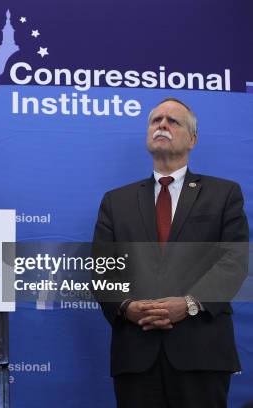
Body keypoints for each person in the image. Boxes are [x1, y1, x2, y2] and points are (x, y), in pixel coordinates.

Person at [93, 98, 248, 408]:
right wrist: (127, 306)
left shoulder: (224, 194)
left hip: (201, 351)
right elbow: (102, 268)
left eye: (172, 121)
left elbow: (236, 260)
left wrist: (189, 304)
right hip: (136, 353)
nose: (161, 125)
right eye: (156, 120)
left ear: (192, 139)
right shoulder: (116, 201)